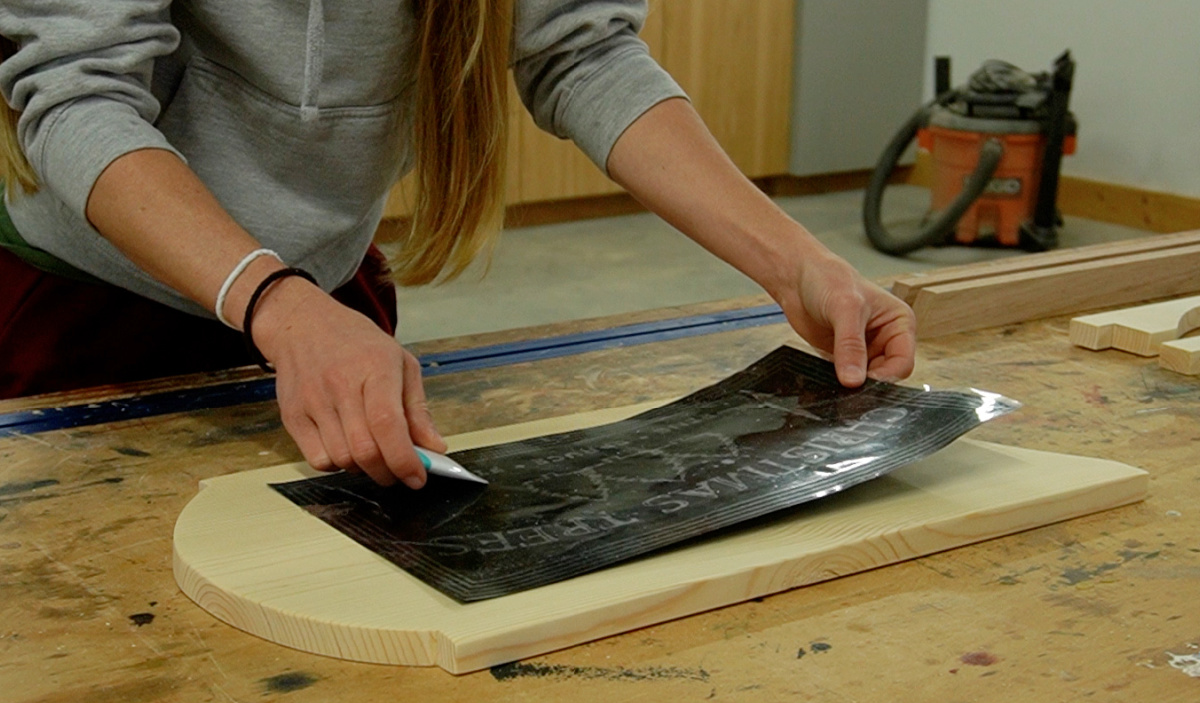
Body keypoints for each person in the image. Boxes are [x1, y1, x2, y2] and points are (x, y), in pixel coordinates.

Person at [0, 0, 915, 488]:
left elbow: (581, 51)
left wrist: (792, 257)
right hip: (84, 307)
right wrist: (276, 304)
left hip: (327, 309)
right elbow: (77, 93)